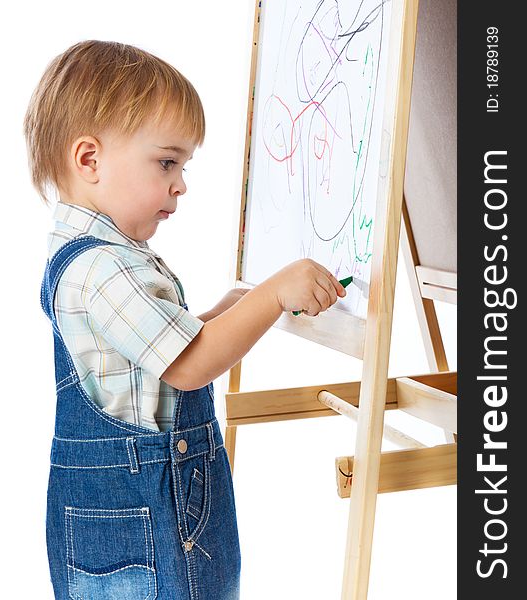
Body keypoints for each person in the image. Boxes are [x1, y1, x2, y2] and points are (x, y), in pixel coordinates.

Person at [23, 39, 346, 600]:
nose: (181, 184)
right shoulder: (102, 267)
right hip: (147, 524)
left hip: (138, 518)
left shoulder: (105, 256)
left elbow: (148, 356)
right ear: (90, 159)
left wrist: (228, 310)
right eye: (166, 161)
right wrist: (269, 297)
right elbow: (189, 364)